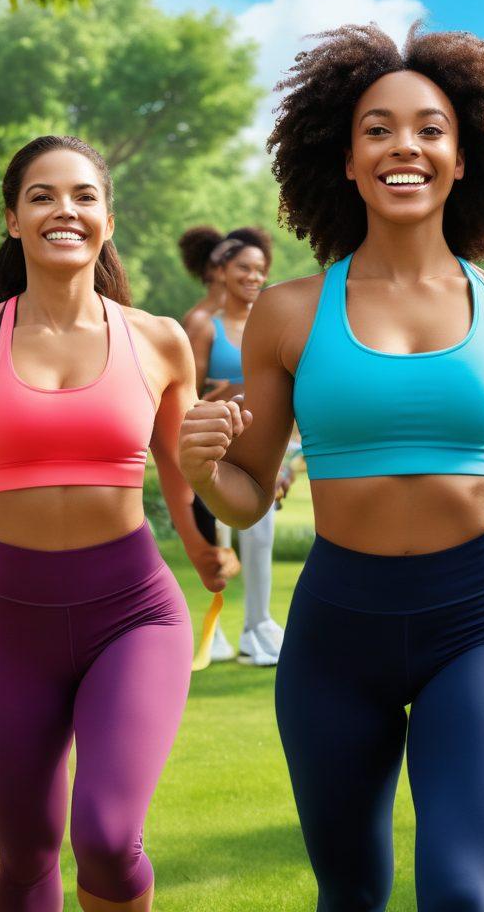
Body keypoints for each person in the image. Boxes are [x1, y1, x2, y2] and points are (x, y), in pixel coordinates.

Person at [178, 23, 484, 912]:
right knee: (350, 892)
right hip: (336, 632)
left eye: (430, 129)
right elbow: (247, 495)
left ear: (464, 159)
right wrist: (204, 473)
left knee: (462, 893)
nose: (405, 147)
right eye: (378, 129)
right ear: (346, 160)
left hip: (478, 624)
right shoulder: (288, 312)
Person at [0, 135, 235, 912]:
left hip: (130, 616)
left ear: (107, 218)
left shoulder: (159, 339)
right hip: (7, 622)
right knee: (22, 850)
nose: (64, 210)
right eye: (41, 196)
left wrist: (203, 548)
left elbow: (179, 467)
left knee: (105, 837)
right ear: (13, 220)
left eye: (84, 195)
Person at [185, 227, 283, 666]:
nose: (254, 277)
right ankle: (217, 630)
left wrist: (289, 458)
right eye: (244, 268)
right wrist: (220, 396)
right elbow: (185, 395)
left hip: (263, 449)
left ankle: (258, 627)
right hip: (218, 451)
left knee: (260, 537)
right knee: (221, 540)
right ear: (222, 271)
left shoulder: (270, 323)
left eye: (260, 270)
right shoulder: (204, 326)